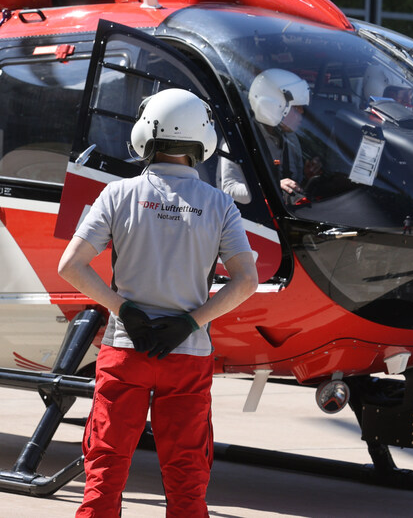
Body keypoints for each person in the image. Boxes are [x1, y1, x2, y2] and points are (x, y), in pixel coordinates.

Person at [58, 88, 258, 518]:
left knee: (106, 468)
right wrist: (189, 323)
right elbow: (245, 282)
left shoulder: (118, 195)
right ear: (201, 141)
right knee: (187, 477)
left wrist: (124, 309)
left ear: (146, 133)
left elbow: (70, 266)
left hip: (126, 348)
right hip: (187, 355)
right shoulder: (220, 205)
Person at [219, 69, 312, 204]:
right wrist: (270, 188)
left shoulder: (291, 138)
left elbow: (294, 181)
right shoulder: (239, 140)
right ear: (273, 107)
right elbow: (228, 189)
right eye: (296, 107)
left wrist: (307, 177)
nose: (302, 112)